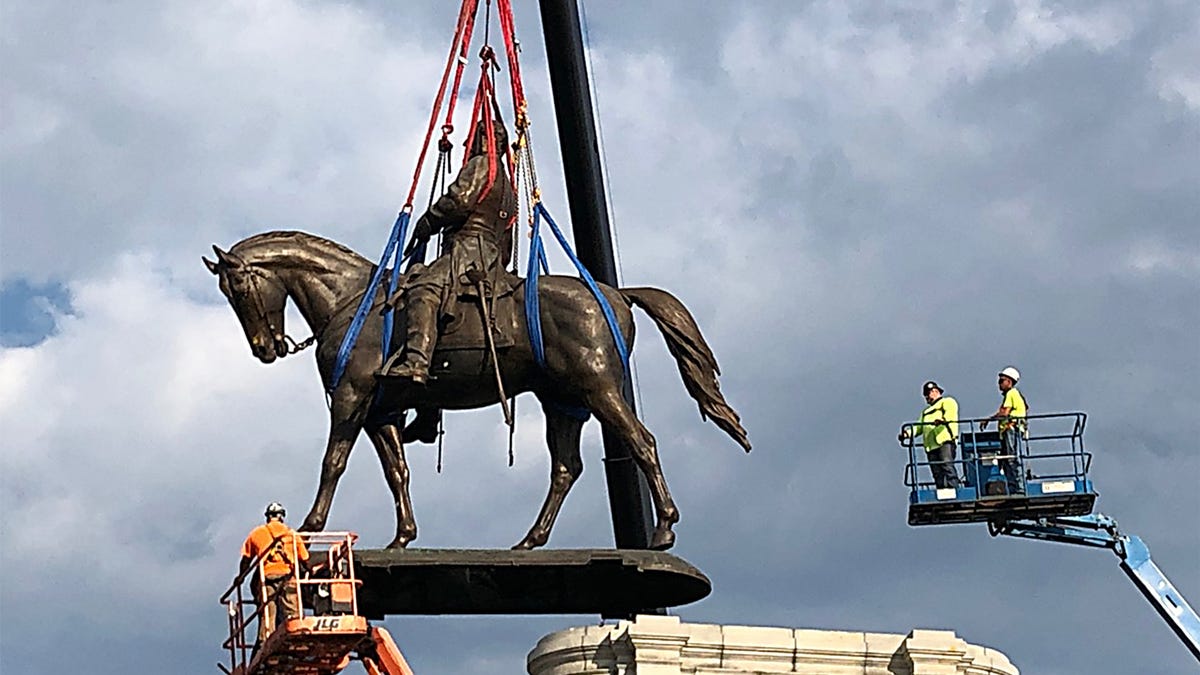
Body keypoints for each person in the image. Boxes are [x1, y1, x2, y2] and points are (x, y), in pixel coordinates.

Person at [378, 116, 516, 384]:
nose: (468, 143)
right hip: (491, 258)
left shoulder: (481, 165)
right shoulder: (508, 187)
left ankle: (416, 362)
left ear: (486, 139)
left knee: (424, 288)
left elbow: (460, 200)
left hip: (467, 250)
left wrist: (429, 220)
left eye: (473, 139)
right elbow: (507, 240)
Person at [240, 502, 310, 646]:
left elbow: (246, 559)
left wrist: (240, 577)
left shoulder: (257, 533)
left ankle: (265, 642)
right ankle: (297, 638)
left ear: (267, 517)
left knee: (268, 612)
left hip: (267, 578)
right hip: (288, 577)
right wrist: (310, 570)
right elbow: (305, 559)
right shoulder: (292, 535)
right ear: (282, 516)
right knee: (292, 610)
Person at [899, 380, 960, 489]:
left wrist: (942, 420)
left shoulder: (947, 402)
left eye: (929, 393)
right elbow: (919, 427)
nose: (927, 396)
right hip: (931, 445)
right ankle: (941, 491)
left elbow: (950, 414)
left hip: (944, 440)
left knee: (947, 466)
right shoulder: (926, 412)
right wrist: (907, 434)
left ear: (936, 391)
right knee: (937, 472)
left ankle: (954, 490)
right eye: (925, 395)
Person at [980, 366, 1027, 495]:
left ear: (1010, 382)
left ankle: (1019, 488)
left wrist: (989, 419)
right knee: (1007, 461)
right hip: (1010, 430)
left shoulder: (1011, 393)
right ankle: (1014, 488)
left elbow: (1004, 413)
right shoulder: (1013, 395)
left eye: (1002, 380)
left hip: (1011, 429)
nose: (999, 383)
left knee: (1011, 459)